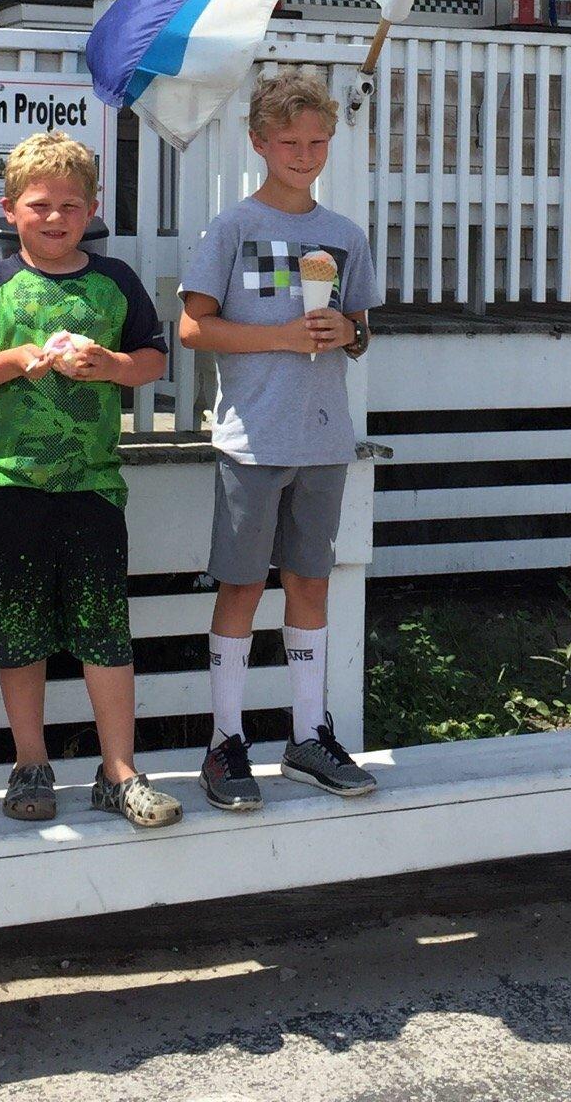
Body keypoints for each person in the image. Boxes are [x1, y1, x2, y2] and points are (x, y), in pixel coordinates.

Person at [0, 132, 182, 831]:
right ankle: (30, 762)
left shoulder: (116, 282)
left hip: (92, 487)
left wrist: (108, 364)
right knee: (17, 632)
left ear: (93, 209)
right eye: (40, 205)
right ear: (10, 210)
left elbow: (151, 362)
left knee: (105, 629)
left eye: (70, 205)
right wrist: (16, 359)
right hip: (7, 485)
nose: (55, 218)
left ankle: (120, 770)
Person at [180, 67, 382, 812]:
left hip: (325, 440)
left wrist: (347, 332)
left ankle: (307, 736)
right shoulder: (232, 227)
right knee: (241, 586)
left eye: (317, 140)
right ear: (260, 141)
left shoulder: (344, 235)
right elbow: (194, 326)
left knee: (311, 582)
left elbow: (362, 331)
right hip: (252, 439)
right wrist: (283, 335)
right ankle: (225, 741)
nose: (304, 152)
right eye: (290, 140)